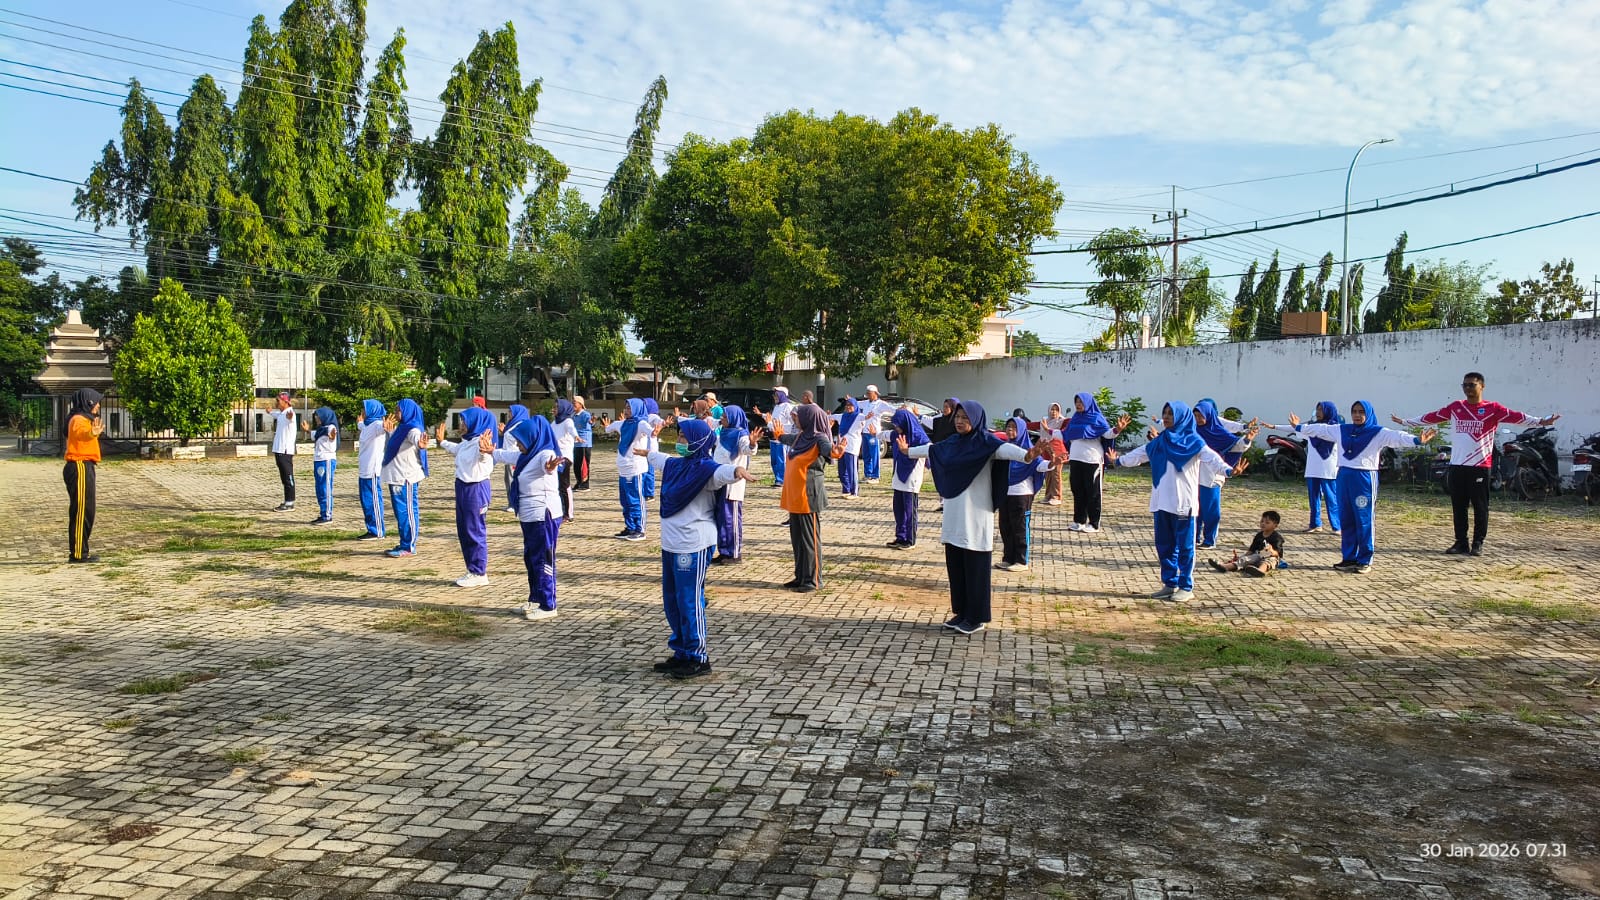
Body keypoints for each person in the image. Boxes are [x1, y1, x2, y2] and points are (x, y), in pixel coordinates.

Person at [902, 399, 1043, 634]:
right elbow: (932, 449)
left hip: (976, 515)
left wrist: (1028, 456)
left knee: (975, 566)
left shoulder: (986, 443)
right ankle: (961, 612)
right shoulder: (952, 443)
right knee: (956, 564)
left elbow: (1005, 450)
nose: (959, 421)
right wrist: (908, 452)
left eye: (965, 418)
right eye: (957, 417)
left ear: (976, 419)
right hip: (954, 513)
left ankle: (977, 617)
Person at [641, 417, 759, 678]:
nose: (680, 441)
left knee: (689, 599)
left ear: (697, 440)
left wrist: (737, 472)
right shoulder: (677, 466)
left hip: (693, 544)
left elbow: (721, 473)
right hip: (670, 543)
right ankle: (681, 651)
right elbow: (659, 458)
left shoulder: (705, 469)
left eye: (683, 437)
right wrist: (647, 451)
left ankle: (698, 656)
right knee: (672, 600)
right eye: (679, 436)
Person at [1392, 372, 1558, 556]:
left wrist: (1541, 422)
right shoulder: (1456, 407)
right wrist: (1406, 422)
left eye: (1471, 385)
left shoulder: (1493, 408)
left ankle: (1478, 543)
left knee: (1480, 506)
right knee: (1459, 506)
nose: (1467, 389)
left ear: (1482, 386)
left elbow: (1517, 417)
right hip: (1457, 466)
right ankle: (1460, 542)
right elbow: (1432, 416)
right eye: (1465, 385)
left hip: (1480, 466)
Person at [1113, 401, 1245, 602]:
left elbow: (1213, 459)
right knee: (1164, 546)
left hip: (1184, 503)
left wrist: (1229, 470)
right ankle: (1169, 583)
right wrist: (1118, 461)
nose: (1165, 417)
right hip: (1161, 502)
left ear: (1182, 417)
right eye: (1164, 413)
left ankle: (1186, 586)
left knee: (1185, 547)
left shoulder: (1195, 442)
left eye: (1171, 414)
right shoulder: (1160, 441)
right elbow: (1140, 454)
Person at [1290, 401, 1436, 573]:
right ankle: (1349, 557)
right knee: (1346, 518)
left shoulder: (1377, 432)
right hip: (1344, 476)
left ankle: (1365, 559)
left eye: (1361, 412)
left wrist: (1417, 440)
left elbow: (1396, 437)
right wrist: (1299, 427)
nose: (1357, 415)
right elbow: (1321, 430)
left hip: (1364, 478)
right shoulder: (1342, 429)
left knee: (1363, 519)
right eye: (1354, 411)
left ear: (1368, 414)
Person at [485, 415, 565, 621]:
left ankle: (549, 605)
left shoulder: (543, 454)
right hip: (529, 515)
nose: (518, 444)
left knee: (543, 559)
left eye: (521, 440)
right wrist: (491, 451)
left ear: (533, 438)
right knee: (531, 558)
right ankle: (536, 599)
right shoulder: (526, 455)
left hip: (543, 515)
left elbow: (548, 465)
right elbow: (506, 455)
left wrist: (550, 466)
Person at [436, 406, 497, 587]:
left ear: (475, 423)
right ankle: (472, 569)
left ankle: (479, 571)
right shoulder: (467, 442)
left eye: (465, 421)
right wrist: (442, 442)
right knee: (464, 530)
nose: (462, 424)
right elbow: (457, 449)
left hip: (476, 489)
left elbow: (485, 458)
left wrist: (485, 451)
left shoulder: (481, 443)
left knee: (475, 531)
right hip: (462, 487)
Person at [778, 403, 834, 593]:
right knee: (798, 541)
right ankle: (801, 576)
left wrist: (836, 452)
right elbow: (788, 438)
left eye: (798, 416)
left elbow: (829, 450)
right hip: (795, 498)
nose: (795, 418)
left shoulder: (819, 439)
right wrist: (777, 434)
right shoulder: (802, 437)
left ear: (809, 418)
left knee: (810, 541)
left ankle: (813, 580)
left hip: (808, 497)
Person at [1266, 401, 1343, 534]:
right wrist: (1274, 427)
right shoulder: (1311, 427)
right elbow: (1295, 428)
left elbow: (1301, 428)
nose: (1318, 412)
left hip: (1328, 469)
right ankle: (1315, 524)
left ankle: (1337, 526)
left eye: (1321, 410)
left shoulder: (1335, 428)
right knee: (1313, 498)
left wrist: (1298, 426)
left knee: (1331, 498)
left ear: (1329, 411)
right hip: (1313, 468)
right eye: (1317, 409)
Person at [1192, 399, 1254, 549]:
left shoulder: (1218, 432)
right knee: (1195, 508)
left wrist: (1246, 440)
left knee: (1210, 510)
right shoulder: (1192, 431)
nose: (1198, 419)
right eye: (1195, 416)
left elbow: (1236, 445)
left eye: (1201, 416)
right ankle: (1194, 537)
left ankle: (1209, 539)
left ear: (1209, 415)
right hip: (1194, 475)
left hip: (1212, 476)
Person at [998, 415, 1053, 572]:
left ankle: (1022, 560)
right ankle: (1008, 558)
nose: (1010, 430)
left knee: (1020, 527)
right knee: (1005, 526)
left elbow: (1040, 464)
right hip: (1005, 492)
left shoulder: (1029, 449)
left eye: (1014, 428)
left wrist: (1052, 464)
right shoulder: (1005, 448)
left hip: (1022, 493)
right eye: (1008, 427)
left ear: (1021, 431)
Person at [1063, 392, 1119, 533]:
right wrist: (1049, 431)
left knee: (1092, 492)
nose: (1078, 405)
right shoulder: (1075, 419)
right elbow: (1065, 434)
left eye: (1081, 402)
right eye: (1076, 402)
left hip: (1092, 460)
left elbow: (1107, 433)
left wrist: (1117, 429)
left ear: (1088, 403)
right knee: (1077, 490)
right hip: (1075, 459)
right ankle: (1079, 521)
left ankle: (1093, 523)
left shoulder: (1097, 418)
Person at [381, 399, 428, 558]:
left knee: (407, 512)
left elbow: (416, 437)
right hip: (396, 476)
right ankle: (404, 542)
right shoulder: (402, 428)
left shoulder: (412, 428)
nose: (395, 413)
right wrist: (389, 432)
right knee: (400, 513)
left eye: (398, 410)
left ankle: (409, 546)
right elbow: (395, 445)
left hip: (406, 477)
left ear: (407, 411)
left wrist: (420, 444)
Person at [713, 405, 758, 564]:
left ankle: (734, 552)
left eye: (725, 417)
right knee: (721, 518)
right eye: (722, 416)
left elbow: (747, 449)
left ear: (733, 418)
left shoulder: (741, 435)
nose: (722, 419)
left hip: (732, 484)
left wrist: (752, 444)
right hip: (719, 481)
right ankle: (724, 551)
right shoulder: (723, 433)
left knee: (731, 518)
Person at [63, 388, 103, 563]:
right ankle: (78, 554)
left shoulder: (84, 418)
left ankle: (81, 551)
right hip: (79, 465)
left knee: (87, 511)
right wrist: (91, 434)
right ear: (88, 402)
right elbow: (80, 433)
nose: (98, 405)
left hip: (84, 465)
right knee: (81, 512)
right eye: (96, 401)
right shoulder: (79, 419)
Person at [603, 399, 651, 541]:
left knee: (636, 499)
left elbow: (651, 432)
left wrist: (656, 430)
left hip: (635, 468)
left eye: (629, 408)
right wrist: (607, 426)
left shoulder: (641, 423)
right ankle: (629, 527)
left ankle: (640, 529)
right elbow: (609, 428)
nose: (626, 410)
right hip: (623, 469)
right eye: (625, 407)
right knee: (625, 501)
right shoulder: (623, 424)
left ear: (637, 409)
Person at [886, 408, 928, 549]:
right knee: (898, 509)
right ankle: (900, 536)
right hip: (899, 477)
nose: (896, 428)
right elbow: (885, 435)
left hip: (912, 478)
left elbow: (930, 449)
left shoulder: (919, 436)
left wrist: (908, 451)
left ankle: (910, 540)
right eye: (895, 425)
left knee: (910, 511)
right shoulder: (897, 434)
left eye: (898, 424)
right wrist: (875, 433)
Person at [1209, 511, 1284, 576]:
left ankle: (1260, 571)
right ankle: (1225, 567)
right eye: (1262, 521)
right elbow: (1251, 550)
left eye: (1267, 522)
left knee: (1266, 562)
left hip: (1271, 557)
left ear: (1275, 525)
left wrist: (1272, 551)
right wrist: (1241, 557)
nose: (1263, 524)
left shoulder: (1277, 537)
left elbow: (1278, 553)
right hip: (1257, 555)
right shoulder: (1259, 535)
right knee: (1245, 559)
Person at [354, 400, 388, 541]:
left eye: (365, 408)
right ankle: (371, 528)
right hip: (364, 470)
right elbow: (362, 426)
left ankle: (378, 530)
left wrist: (386, 427)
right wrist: (359, 423)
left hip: (372, 470)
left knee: (374, 501)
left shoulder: (377, 425)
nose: (363, 410)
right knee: (366, 501)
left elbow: (382, 428)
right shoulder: (367, 425)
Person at [303, 407, 339, 525]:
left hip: (326, 460)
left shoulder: (330, 427)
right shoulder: (320, 430)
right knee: (319, 488)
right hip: (318, 460)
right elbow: (315, 434)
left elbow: (332, 435)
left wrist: (333, 436)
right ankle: (323, 513)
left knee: (325, 488)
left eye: (318, 416)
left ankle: (328, 515)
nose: (317, 419)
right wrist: (308, 430)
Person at [858, 385, 895, 484]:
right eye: (867, 393)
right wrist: (849, 401)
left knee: (874, 454)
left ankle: (875, 476)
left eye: (869, 393)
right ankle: (868, 474)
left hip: (874, 434)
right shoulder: (865, 403)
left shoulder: (880, 404)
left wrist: (901, 411)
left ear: (875, 393)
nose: (868, 395)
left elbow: (892, 409)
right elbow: (856, 404)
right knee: (866, 455)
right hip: (865, 432)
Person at [831, 396, 866, 498]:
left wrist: (868, 417)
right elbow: (830, 417)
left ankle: (854, 492)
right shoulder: (842, 416)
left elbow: (866, 418)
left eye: (850, 405)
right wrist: (827, 416)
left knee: (852, 470)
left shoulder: (859, 416)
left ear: (855, 406)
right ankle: (846, 489)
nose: (848, 407)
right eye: (847, 405)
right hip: (841, 446)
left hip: (852, 446)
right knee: (842, 470)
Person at [268, 392, 297, 511]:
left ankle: (290, 502)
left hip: (285, 451)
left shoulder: (290, 413)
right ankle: (287, 500)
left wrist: (290, 417)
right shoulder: (281, 413)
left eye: (278, 401)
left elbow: (290, 418)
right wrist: (269, 412)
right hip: (279, 450)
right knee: (284, 477)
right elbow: (277, 415)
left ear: (286, 402)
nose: (276, 403)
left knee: (288, 476)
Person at [498, 404, 530, 513]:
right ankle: (511, 502)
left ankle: (514, 503)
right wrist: (503, 432)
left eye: (510, 412)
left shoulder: (521, 425)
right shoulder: (512, 424)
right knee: (508, 479)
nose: (509, 414)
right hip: (507, 456)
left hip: (515, 456)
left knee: (513, 480)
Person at [552, 400, 579, 521]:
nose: (555, 409)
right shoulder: (554, 423)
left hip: (565, 457)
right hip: (555, 457)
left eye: (557, 407)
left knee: (564, 485)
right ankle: (560, 510)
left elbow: (571, 429)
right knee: (556, 485)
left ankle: (568, 513)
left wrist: (576, 436)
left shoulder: (567, 421)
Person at [767, 387, 796, 487]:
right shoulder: (776, 407)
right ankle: (777, 478)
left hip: (782, 439)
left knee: (781, 459)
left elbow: (793, 424)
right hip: (773, 438)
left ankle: (782, 479)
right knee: (774, 460)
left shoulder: (788, 406)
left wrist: (781, 429)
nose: (774, 397)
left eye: (776, 395)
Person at [1040, 402, 1068, 505]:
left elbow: (1071, 422)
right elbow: (1031, 425)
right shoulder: (1044, 421)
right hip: (1047, 451)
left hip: (1058, 452)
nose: (1054, 412)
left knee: (1056, 474)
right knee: (1048, 474)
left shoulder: (1062, 421)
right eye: (1052, 409)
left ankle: (1056, 496)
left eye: (1056, 410)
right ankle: (1048, 496)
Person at [642, 399, 664, 500]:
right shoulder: (642, 417)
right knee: (642, 470)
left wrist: (664, 423)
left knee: (649, 470)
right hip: (642, 447)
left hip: (650, 447)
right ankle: (643, 491)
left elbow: (660, 422)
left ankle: (649, 493)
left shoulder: (653, 416)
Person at [572, 396, 593, 491]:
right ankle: (579, 481)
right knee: (576, 464)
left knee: (583, 464)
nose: (573, 405)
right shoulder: (573, 416)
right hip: (576, 443)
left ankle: (585, 484)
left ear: (580, 404)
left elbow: (590, 421)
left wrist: (592, 421)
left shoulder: (585, 414)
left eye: (575, 403)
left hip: (585, 443)